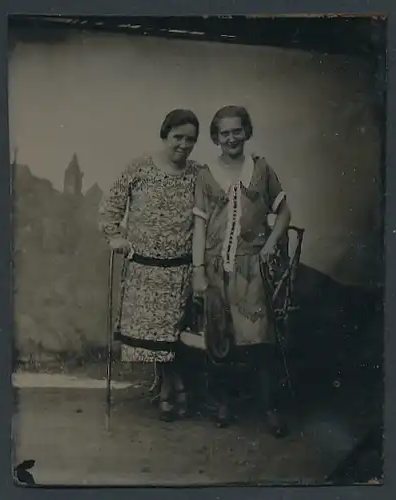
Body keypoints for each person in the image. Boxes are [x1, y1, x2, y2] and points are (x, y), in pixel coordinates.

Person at [191, 105, 291, 437]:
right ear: (216, 138)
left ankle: (270, 408)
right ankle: (223, 403)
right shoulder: (206, 176)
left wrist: (270, 246)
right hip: (217, 266)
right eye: (224, 133)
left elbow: (284, 213)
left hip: (251, 267)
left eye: (237, 131)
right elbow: (200, 227)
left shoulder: (261, 170)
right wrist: (198, 270)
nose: (231, 138)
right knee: (219, 339)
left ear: (246, 132)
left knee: (258, 340)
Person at [99, 109, 201, 422]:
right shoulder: (140, 167)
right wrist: (115, 237)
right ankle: (173, 388)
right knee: (156, 335)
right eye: (177, 137)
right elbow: (110, 206)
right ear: (164, 136)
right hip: (144, 270)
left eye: (191, 139)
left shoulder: (199, 173)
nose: (183, 145)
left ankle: (172, 389)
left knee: (173, 334)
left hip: (181, 270)